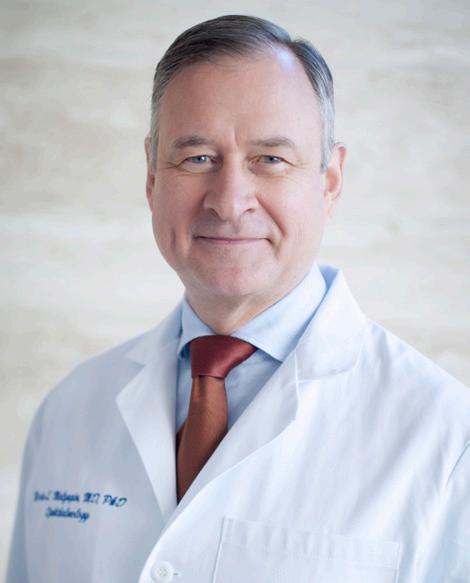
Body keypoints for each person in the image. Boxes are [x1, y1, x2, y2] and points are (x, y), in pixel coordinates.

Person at [6, 14, 469, 583]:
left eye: (270, 159)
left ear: (329, 180)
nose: (228, 202)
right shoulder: (69, 411)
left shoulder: (448, 439)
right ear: (152, 176)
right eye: (197, 158)